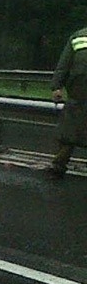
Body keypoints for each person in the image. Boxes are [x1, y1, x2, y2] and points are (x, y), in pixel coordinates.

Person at [45, 26, 87, 179]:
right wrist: (56, 86)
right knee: (69, 133)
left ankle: (58, 166)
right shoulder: (78, 37)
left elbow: (64, 64)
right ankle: (58, 166)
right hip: (79, 95)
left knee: (70, 132)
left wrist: (57, 86)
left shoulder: (78, 37)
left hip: (78, 94)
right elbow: (64, 64)